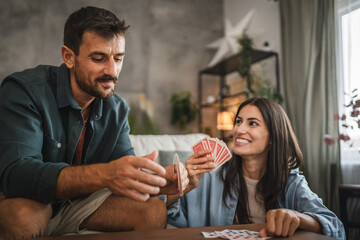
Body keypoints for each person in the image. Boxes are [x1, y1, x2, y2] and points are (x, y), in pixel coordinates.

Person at [0, 6, 188, 239]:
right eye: (98, 58)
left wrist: (158, 184)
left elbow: (124, 175)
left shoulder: (117, 109)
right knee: (23, 215)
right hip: (30, 199)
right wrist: (103, 175)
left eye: (118, 58)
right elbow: (16, 175)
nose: (112, 70)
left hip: (78, 205)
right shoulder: (24, 91)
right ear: (68, 57)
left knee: (151, 209)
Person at [166, 97, 345, 239]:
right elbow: (165, 213)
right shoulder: (210, 174)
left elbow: (335, 227)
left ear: (273, 136)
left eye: (252, 123)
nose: (238, 130)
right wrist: (183, 185)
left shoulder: (291, 182)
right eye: (238, 121)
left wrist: (298, 218)